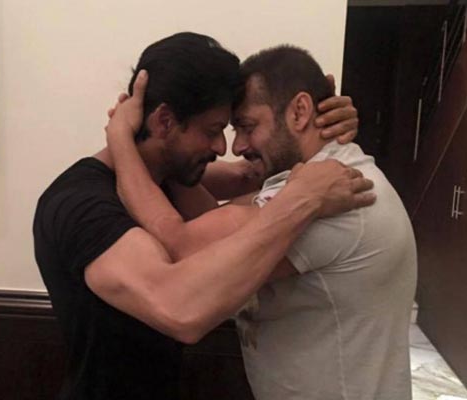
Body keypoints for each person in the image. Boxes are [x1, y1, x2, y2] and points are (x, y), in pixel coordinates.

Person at [33, 32, 374, 400]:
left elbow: (250, 172)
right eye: (212, 131)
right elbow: (177, 307)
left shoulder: (165, 178)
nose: (223, 147)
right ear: (164, 121)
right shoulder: (81, 205)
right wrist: (302, 198)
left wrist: (318, 126)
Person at [107, 44, 417, 400]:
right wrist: (167, 149)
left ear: (299, 111)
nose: (236, 146)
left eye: (247, 127)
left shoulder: (336, 192)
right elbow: (221, 216)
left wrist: (120, 139)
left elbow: (186, 246)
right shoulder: (308, 179)